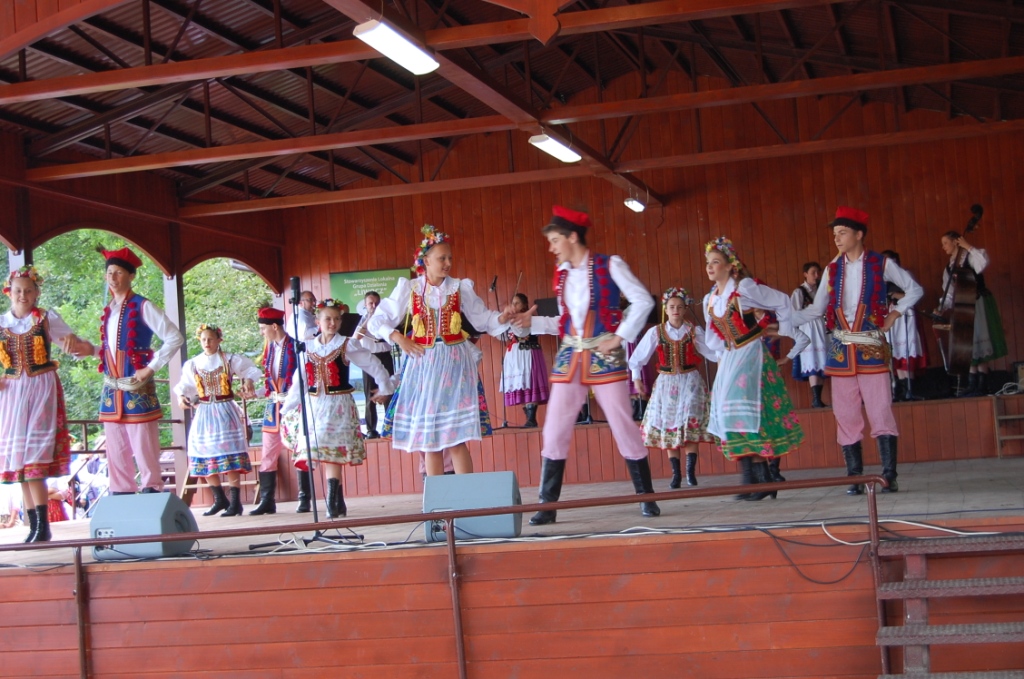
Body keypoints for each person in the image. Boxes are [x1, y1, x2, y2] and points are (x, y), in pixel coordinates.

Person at [509, 206, 659, 524]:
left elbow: (643, 300)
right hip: (570, 357)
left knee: (622, 423)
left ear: (572, 237)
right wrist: (532, 322)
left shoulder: (610, 264)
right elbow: (565, 322)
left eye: (554, 240)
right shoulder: (562, 275)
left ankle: (646, 497)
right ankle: (547, 505)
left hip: (604, 354)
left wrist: (619, 336)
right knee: (554, 427)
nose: (552, 247)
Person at [795, 207, 923, 494]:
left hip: (871, 346)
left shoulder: (880, 263)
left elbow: (914, 289)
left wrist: (895, 313)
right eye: (835, 234)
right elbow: (817, 309)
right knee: (845, 413)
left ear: (859, 234)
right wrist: (785, 319)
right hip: (841, 350)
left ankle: (889, 474)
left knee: (880, 409)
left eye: (842, 233)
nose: (837, 239)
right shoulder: (832, 269)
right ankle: (854, 475)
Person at [368, 225, 510, 476]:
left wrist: (502, 318)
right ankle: (436, 497)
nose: (448, 263)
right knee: (429, 438)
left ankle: (465, 495)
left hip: (455, 364)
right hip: (423, 365)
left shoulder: (459, 287)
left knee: (456, 438)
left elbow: (482, 320)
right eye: (442, 258)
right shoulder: (410, 288)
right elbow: (377, 320)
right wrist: (398, 337)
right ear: (426, 261)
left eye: (450, 258)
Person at [64, 247, 184, 495]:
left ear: (131, 276)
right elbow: (114, 349)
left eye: (118, 272)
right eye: (109, 272)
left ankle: (151, 488)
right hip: (112, 389)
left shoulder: (142, 305)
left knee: (144, 443)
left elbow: (174, 337)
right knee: (115, 447)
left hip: (136, 387)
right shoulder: (109, 309)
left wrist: (151, 368)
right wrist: (92, 350)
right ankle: (121, 491)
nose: (113, 277)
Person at [703, 237, 807, 500]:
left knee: (745, 413)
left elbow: (782, 300)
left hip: (750, 354)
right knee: (729, 415)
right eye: (708, 262)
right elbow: (712, 337)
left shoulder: (745, 288)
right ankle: (758, 480)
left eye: (716, 262)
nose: (710, 267)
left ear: (730, 266)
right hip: (730, 357)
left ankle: (760, 480)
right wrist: (720, 357)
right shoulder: (711, 298)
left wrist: (783, 330)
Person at [282, 299, 393, 518]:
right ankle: (337, 501)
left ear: (341, 322)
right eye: (327, 319)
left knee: (330, 449)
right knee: (321, 448)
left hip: (339, 405)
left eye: (336, 319)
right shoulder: (308, 348)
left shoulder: (346, 344)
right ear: (318, 321)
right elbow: (300, 381)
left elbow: (372, 364)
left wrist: (385, 386)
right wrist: (288, 406)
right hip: (315, 405)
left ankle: (333, 501)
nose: (332, 323)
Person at [0, 266, 80, 542]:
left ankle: (42, 525)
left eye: (28, 290)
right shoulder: (2, 323)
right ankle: (35, 525)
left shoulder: (46, 318)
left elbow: (72, 344)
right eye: (17, 290)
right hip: (12, 391)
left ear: (36, 293)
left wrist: (76, 344)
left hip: (41, 387)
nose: (22, 295)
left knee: (34, 456)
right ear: (9, 292)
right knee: (20, 462)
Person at [628, 287, 717, 489]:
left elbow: (712, 353)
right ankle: (676, 474)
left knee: (689, 423)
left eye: (679, 307)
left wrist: (727, 357)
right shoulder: (656, 332)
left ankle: (691, 473)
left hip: (690, 382)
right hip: (667, 384)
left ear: (685, 309)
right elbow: (637, 358)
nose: (676, 310)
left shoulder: (693, 331)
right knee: (670, 425)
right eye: (672, 307)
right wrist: (636, 379)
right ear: (666, 309)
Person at [174, 324, 261, 517]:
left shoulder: (229, 359)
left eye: (211, 339)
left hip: (225, 409)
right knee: (203, 451)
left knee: (229, 452)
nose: (207, 342)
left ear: (219, 340)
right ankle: (219, 498)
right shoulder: (193, 363)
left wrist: (248, 380)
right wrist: (181, 398)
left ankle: (236, 502)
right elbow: (184, 386)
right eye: (204, 339)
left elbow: (251, 370)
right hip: (204, 411)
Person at [937, 231, 1007, 395]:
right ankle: (972, 382)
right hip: (962, 305)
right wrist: (942, 307)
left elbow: (982, 264)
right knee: (966, 344)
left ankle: (982, 384)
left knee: (979, 340)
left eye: (945, 243)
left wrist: (968, 246)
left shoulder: (969, 257)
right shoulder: (949, 266)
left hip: (977, 302)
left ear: (955, 242)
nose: (943, 247)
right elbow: (949, 292)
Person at [250, 307, 299, 515]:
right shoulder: (270, 349)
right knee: (268, 452)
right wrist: (256, 393)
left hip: (293, 405)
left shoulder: (296, 347)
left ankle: (305, 497)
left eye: (263, 329)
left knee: (299, 449)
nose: (262, 333)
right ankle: (267, 500)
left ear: (274, 326)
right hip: (273, 406)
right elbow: (271, 383)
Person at [881, 250, 927, 401]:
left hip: (904, 314)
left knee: (906, 349)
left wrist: (895, 295)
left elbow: (913, 294)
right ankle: (899, 390)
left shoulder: (905, 275)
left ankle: (909, 389)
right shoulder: (882, 279)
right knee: (895, 351)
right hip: (889, 315)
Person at [501, 293, 549, 428]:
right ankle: (528, 418)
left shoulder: (530, 318)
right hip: (515, 354)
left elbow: (523, 332)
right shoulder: (510, 319)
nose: (514, 305)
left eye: (517, 303)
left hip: (528, 352)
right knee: (520, 383)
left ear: (524, 305)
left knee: (530, 382)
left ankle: (532, 418)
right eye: (513, 303)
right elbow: (502, 335)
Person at [354, 291, 395, 439]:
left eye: (377, 303)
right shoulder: (362, 319)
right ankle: (371, 429)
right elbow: (356, 337)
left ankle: (390, 425)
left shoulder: (386, 318)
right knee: (369, 393)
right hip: (369, 357)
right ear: (365, 305)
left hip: (385, 355)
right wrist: (369, 318)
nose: (374, 306)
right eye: (370, 303)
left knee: (388, 390)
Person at [791, 262, 830, 408]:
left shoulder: (821, 291)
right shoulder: (799, 292)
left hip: (822, 329)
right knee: (812, 359)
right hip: (808, 329)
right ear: (805, 274)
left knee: (822, 360)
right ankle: (815, 398)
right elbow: (793, 314)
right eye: (813, 272)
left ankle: (818, 398)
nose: (816, 275)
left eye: (818, 272)